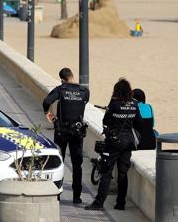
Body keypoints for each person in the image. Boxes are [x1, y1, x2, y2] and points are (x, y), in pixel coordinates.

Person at [85, 78, 142, 211]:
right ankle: (120, 204)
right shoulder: (134, 104)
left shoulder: (114, 103)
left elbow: (106, 120)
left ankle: (99, 203)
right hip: (128, 142)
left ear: (116, 90)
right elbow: (138, 122)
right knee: (123, 173)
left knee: (106, 173)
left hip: (115, 141)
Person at [42, 68, 89, 204]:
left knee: (59, 162)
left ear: (62, 79)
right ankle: (77, 196)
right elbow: (84, 102)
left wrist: (47, 112)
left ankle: (57, 193)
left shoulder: (60, 89)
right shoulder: (84, 91)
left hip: (62, 131)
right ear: (72, 76)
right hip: (77, 131)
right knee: (77, 164)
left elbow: (46, 101)